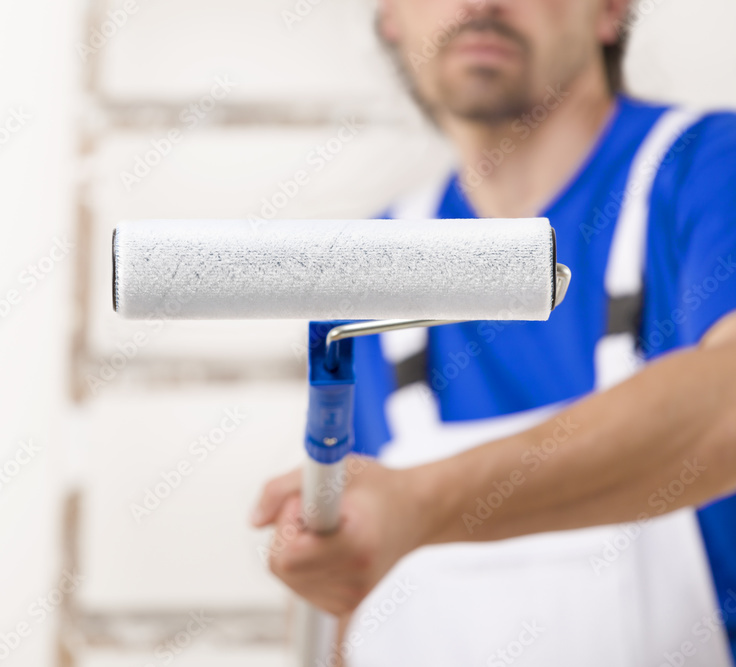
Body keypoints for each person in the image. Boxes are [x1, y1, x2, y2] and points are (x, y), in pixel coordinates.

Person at [251, 1, 736, 664]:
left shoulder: (708, 171)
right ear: (390, 16)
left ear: (611, 11)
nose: (479, 4)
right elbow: (346, 604)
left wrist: (421, 503)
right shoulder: (371, 268)